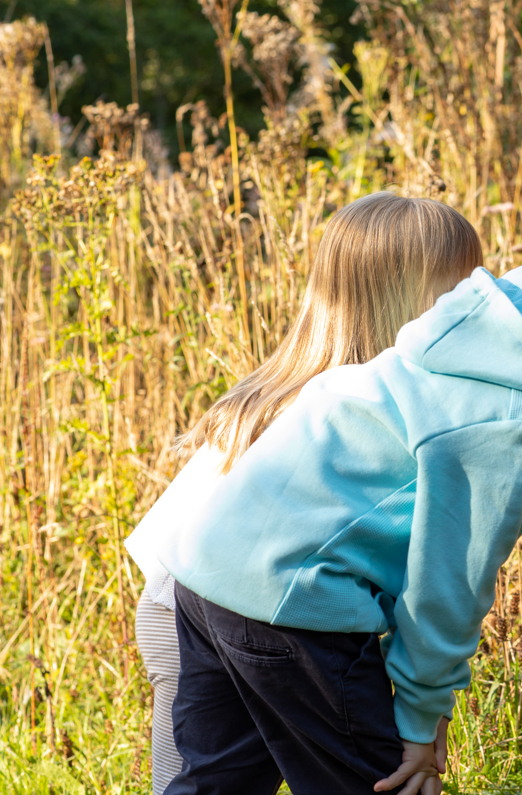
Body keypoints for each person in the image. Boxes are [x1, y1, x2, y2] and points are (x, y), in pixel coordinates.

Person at [155, 160, 522, 795]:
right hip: (292, 599)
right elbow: (447, 583)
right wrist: (422, 722)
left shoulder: (478, 324)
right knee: (388, 785)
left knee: (212, 786)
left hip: (212, 563)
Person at [124, 192, 482, 795]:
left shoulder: (304, 385)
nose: (474, 310)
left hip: (192, 599)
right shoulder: (342, 407)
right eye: (458, 293)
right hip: (189, 604)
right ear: (404, 299)